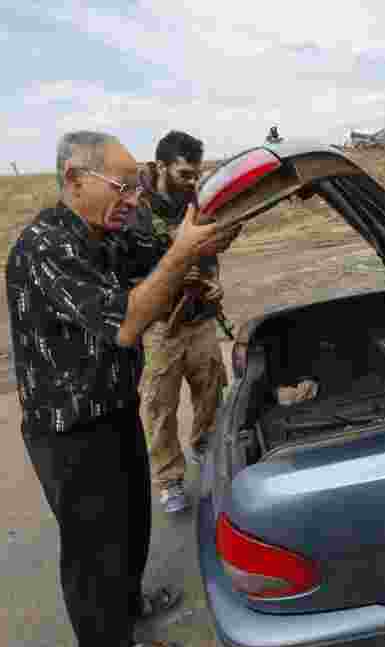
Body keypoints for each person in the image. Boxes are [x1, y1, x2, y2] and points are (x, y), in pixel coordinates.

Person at [6, 130, 232, 647]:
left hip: (110, 408)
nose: (132, 198)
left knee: (128, 525)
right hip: (68, 430)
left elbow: (161, 259)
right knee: (92, 547)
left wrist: (201, 246)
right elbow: (129, 322)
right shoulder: (46, 246)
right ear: (74, 181)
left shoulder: (100, 233)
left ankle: (126, 606)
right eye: (122, 186)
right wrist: (182, 253)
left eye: (136, 186)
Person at [133, 130, 229, 514]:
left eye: (197, 175)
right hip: (161, 327)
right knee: (161, 407)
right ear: (161, 167)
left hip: (201, 318)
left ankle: (205, 447)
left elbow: (211, 250)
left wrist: (214, 284)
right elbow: (128, 270)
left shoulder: (197, 203)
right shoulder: (136, 210)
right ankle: (170, 480)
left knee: (211, 390)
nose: (193, 182)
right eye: (185, 174)